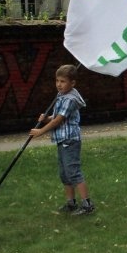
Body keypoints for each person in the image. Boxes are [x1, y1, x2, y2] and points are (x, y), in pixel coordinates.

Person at [29, 64, 94, 215]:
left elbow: (58, 120)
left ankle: (87, 205)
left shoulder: (70, 99)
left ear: (72, 83)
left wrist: (41, 131)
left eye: (63, 81)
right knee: (64, 173)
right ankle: (71, 203)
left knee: (73, 172)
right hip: (61, 140)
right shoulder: (62, 96)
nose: (59, 84)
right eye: (57, 81)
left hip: (70, 140)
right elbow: (57, 117)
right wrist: (46, 118)